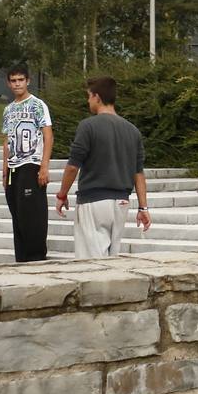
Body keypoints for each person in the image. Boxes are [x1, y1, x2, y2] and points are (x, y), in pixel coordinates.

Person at [54, 76, 150, 258]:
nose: (88, 101)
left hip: (94, 200)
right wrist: (143, 208)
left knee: (91, 262)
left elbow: (73, 166)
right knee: (111, 260)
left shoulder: (88, 126)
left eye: (89, 96)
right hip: (121, 202)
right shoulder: (133, 130)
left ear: (97, 97)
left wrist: (62, 194)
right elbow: (138, 172)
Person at [2, 64, 53, 262]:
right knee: (18, 216)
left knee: (32, 215)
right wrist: (4, 171)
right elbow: (6, 141)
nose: (17, 84)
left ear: (28, 81)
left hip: (31, 164)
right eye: (13, 81)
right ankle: (21, 258)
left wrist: (44, 166)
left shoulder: (37, 105)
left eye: (20, 80)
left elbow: (48, 136)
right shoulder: (8, 109)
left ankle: (37, 257)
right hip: (13, 167)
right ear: (8, 83)